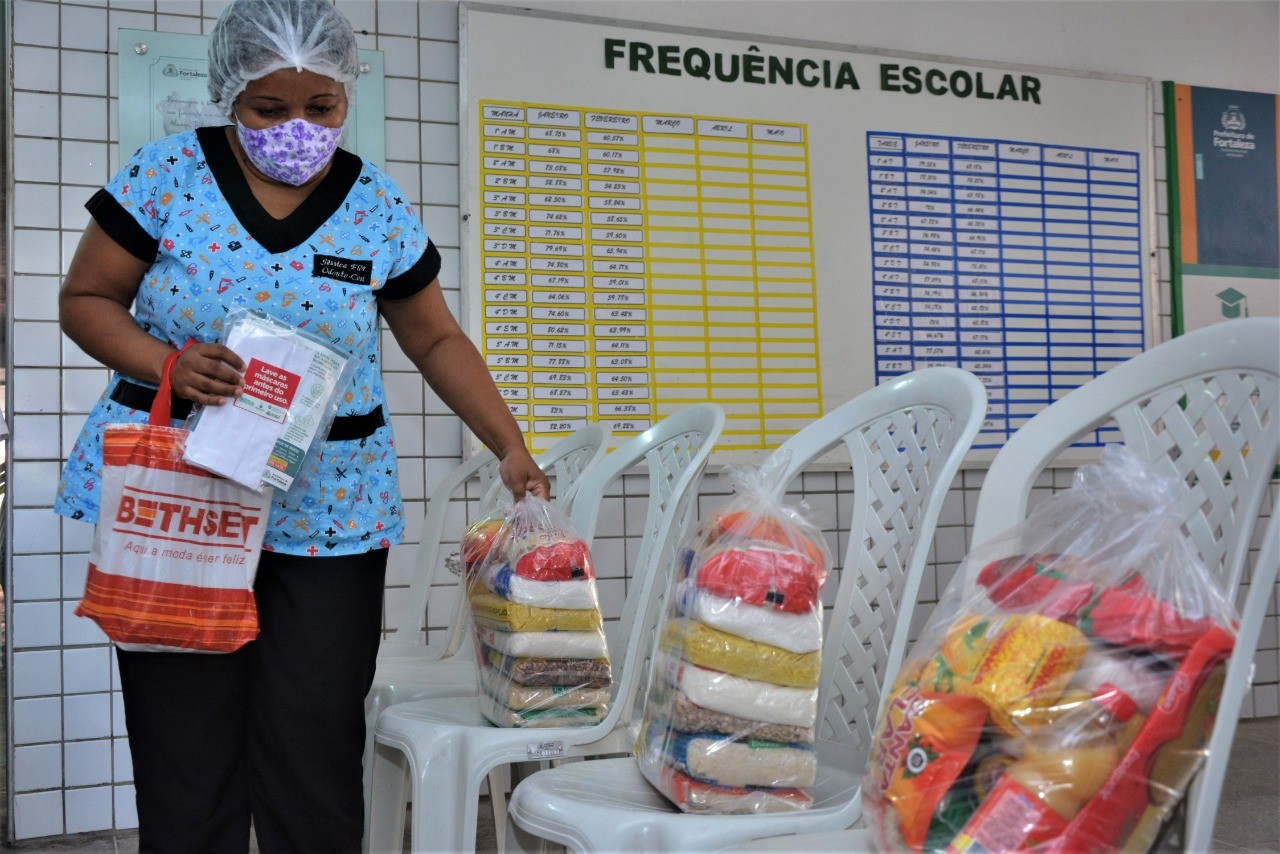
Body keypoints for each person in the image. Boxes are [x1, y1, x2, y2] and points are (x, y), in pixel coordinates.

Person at [54, 0, 549, 850]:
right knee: (184, 738)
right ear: (231, 97)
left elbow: (433, 335)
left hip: (330, 508)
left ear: (345, 95)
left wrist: (509, 443)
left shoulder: (374, 205)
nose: (296, 127)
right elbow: (86, 299)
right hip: (182, 494)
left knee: (314, 735)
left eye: (318, 107)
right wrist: (167, 364)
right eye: (269, 108)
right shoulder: (168, 173)